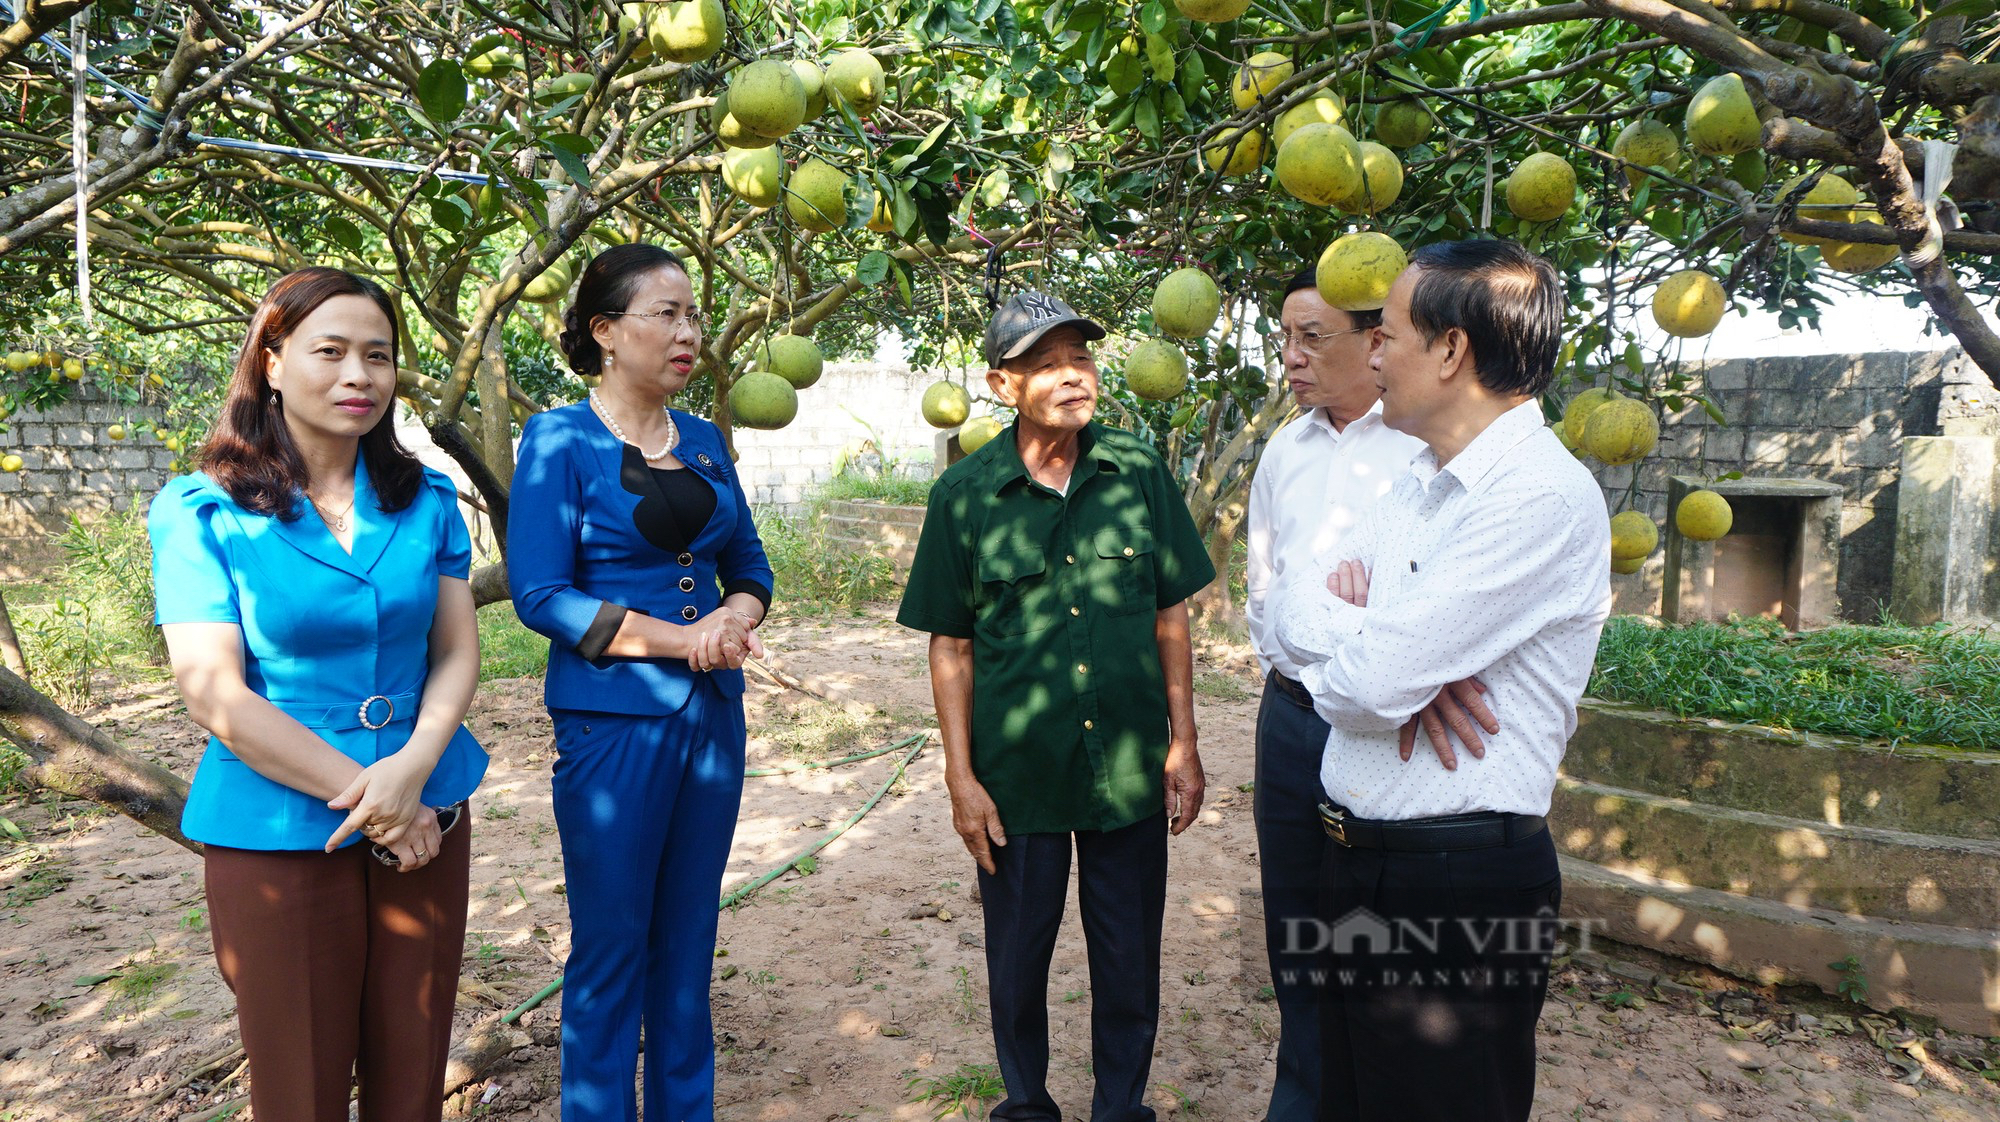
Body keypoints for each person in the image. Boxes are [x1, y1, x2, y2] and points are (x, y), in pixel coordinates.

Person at [1273, 239, 1611, 1122]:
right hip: (1360, 864)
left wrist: (1385, 662)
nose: (1371, 354)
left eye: (1385, 335)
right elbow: (1287, 611)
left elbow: (1360, 691)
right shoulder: (1424, 483)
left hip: (1455, 886)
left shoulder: (1536, 496)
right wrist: (1386, 648)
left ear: (1452, 350)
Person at [149, 267, 488, 1122]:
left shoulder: (427, 499)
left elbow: (453, 652)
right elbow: (215, 694)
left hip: (429, 808)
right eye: (329, 352)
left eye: (378, 356)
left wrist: (412, 770)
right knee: (298, 1084)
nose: (357, 377)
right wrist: (381, 803)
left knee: (413, 1072)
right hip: (278, 824)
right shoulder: (202, 512)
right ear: (271, 360)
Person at [897, 290, 1215, 1122]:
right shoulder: (964, 496)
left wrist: (1183, 739)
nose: (1074, 378)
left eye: (1082, 359)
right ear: (1004, 387)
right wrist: (961, 777)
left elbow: (1169, 615)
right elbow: (951, 647)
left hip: (1129, 765)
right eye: (1048, 365)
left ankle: (1121, 1108)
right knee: (1018, 956)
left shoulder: (1138, 471)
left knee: (1127, 956)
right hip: (1018, 776)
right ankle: (1027, 1104)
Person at [507, 243, 773, 1122]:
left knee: (689, 945)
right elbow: (541, 596)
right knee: (612, 948)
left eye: (693, 314)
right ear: (607, 331)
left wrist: (737, 617)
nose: (688, 331)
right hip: (612, 727)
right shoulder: (559, 440)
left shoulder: (701, 440)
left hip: (712, 725)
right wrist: (676, 638)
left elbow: (749, 562)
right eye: (666, 314)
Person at [1242, 268, 1423, 1122]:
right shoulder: (1286, 449)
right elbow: (1265, 592)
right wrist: (1304, 659)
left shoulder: (1425, 447)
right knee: (1298, 925)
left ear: (1376, 340)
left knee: (1380, 927)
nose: (1292, 359)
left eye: (1311, 339)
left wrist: (1354, 652)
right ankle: (1303, 1098)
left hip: (1388, 723)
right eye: (1285, 339)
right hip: (1289, 718)